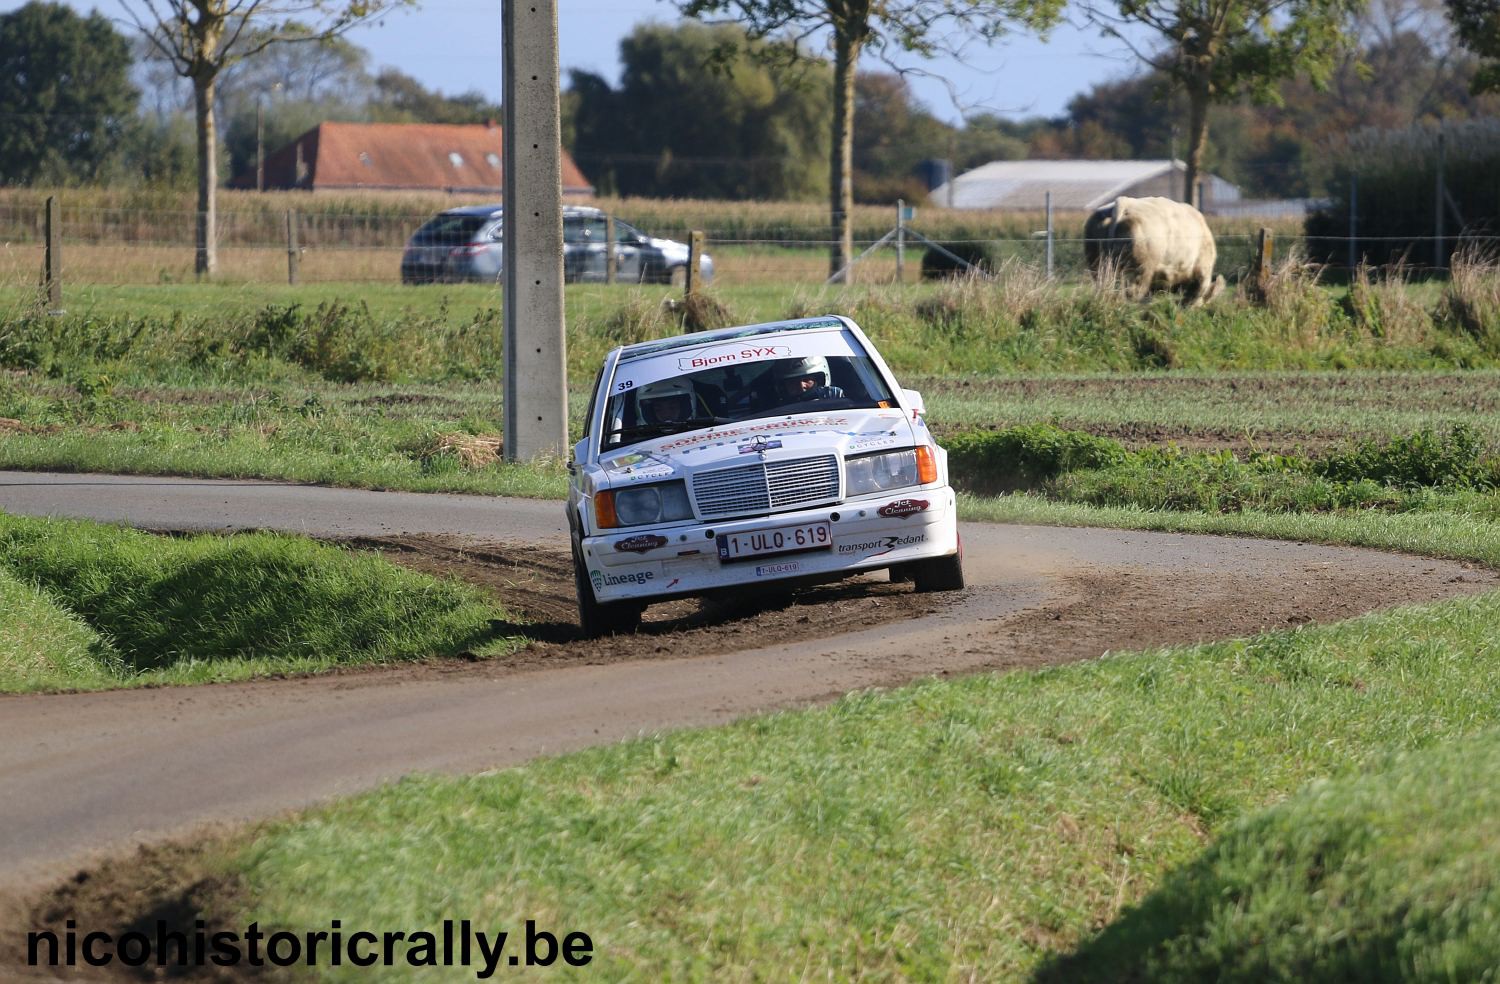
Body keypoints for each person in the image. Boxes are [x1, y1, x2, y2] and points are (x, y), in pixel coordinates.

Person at [774, 356, 844, 405]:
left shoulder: (835, 396)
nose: (801, 386)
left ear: (819, 380)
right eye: (793, 382)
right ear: (783, 387)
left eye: (806, 379)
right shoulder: (778, 411)